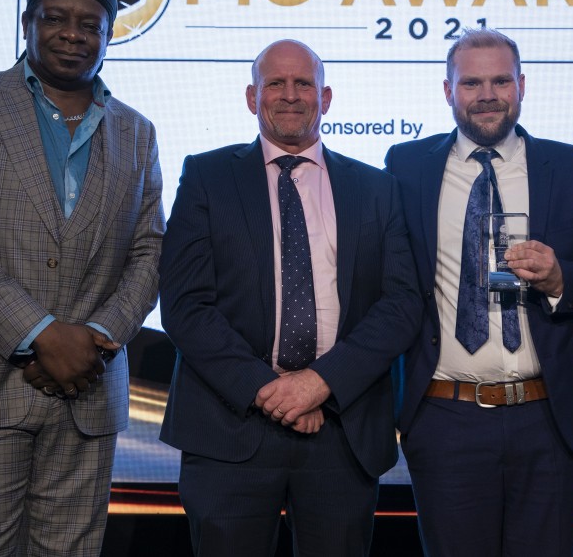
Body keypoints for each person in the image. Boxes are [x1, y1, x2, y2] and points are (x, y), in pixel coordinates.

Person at [0, 0, 164, 556]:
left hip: (89, 391)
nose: (72, 34)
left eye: (89, 24)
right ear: (28, 23)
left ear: (108, 35)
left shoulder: (136, 131)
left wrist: (97, 337)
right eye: (56, 19)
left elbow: (150, 248)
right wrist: (38, 334)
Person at [158, 39, 422, 557]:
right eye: (275, 83)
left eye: (303, 83)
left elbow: (401, 305)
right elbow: (186, 304)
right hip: (229, 429)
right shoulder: (207, 176)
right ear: (252, 96)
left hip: (340, 432)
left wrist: (320, 383)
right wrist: (271, 391)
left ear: (325, 98)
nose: (290, 95)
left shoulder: (376, 188)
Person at [385, 28, 573, 556]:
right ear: (447, 90)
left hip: (546, 418)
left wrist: (562, 278)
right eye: (471, 82)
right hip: (445, 415)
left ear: (522, 85)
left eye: (500, 80)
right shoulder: (405, 167)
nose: (487, 93)